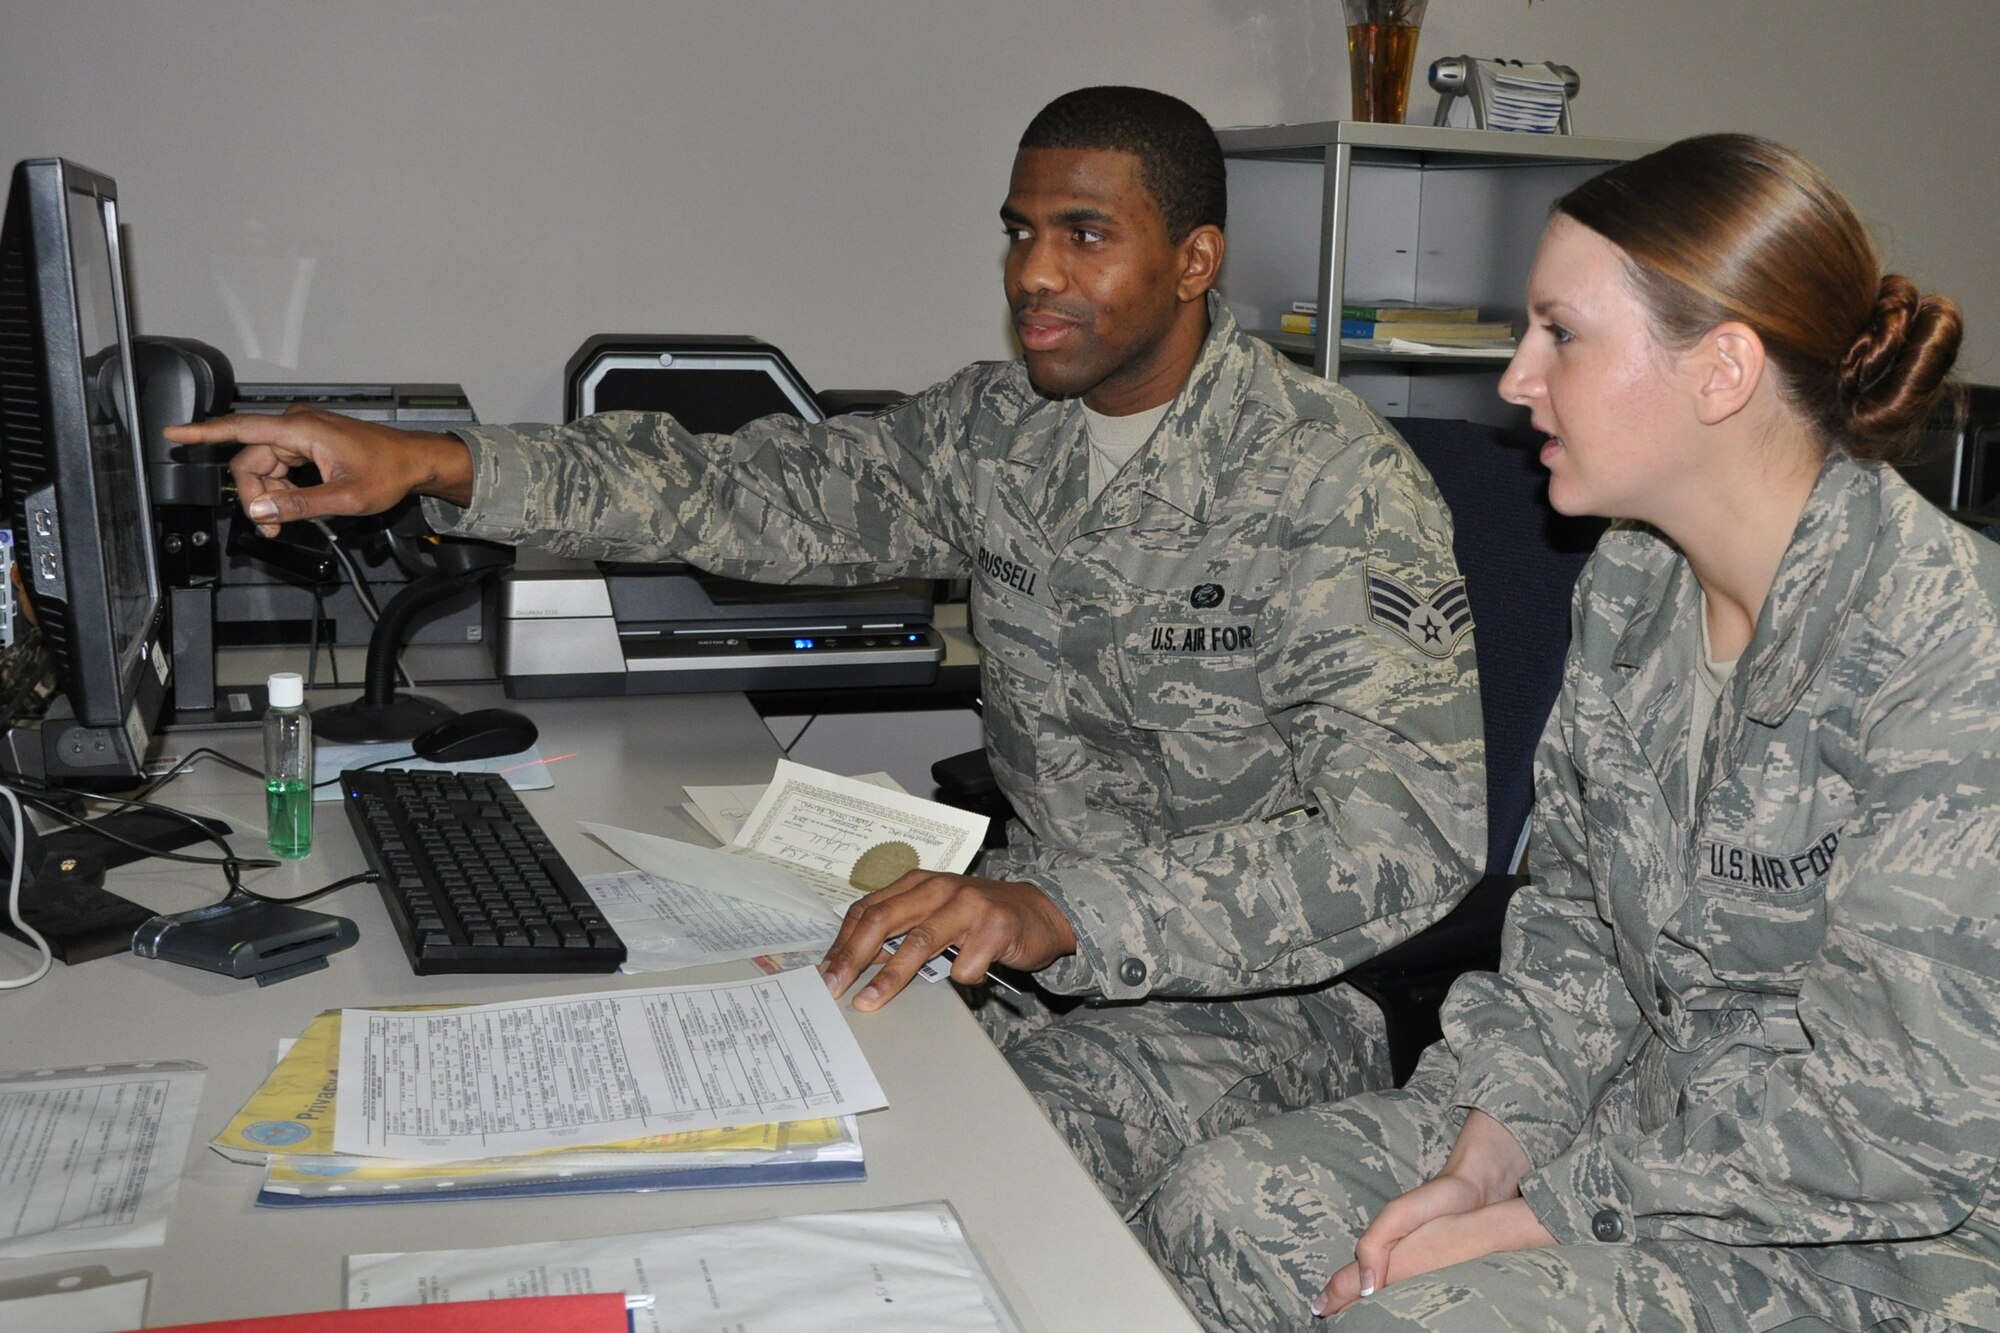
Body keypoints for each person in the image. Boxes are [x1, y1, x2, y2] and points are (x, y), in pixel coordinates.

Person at [166, 86, 1485, 1216]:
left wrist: (1062, 912)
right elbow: (740, 490)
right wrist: (435, 464)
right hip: (1018, 956)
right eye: (1021, 232)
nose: (1033, 273)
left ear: (1195, 262)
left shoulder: (1333, 484)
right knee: (717, 1081)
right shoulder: (1001, 430)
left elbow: (1403, 843)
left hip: (1256, 1004)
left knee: (940, 1163)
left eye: (1085, 235)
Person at [1141, 131, 2000, 1332]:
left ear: (1720, 371)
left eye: (1560, 334)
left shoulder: (1948, 648)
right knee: (1221, 1208)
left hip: (1881, 1242)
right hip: (1643, 1132)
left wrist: (1534, 1219)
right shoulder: (1631, 584)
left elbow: (1899, 1120)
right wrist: (1482, 1160)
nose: (1515, 378)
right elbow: (1574, 933)